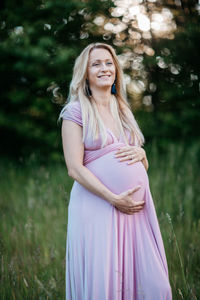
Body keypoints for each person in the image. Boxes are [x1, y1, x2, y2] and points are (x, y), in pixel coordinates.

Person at [58, 42, 172, 300]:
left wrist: (143, 155)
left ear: (116, 70)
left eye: (108, 63)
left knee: (155, 285)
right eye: (95, 64)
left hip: (134, 210)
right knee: (105, 281)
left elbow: (141, 163)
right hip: (98, 206)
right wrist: (113, 198)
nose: (104, 68)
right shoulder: (75, 111)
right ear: (84, 73)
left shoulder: (123, 109)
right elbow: (74, 168)